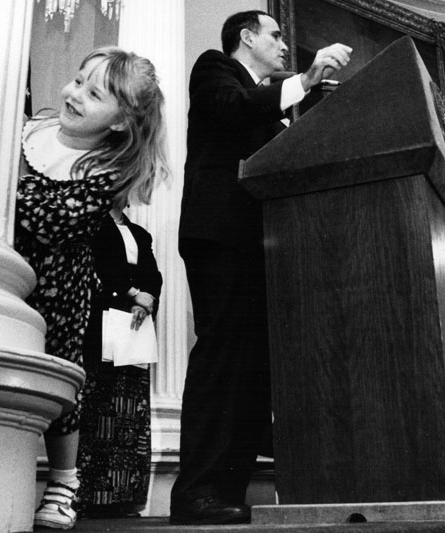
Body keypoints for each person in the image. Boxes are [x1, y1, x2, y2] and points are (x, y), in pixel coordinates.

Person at [172, 10, 352, 526]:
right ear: (246, 38)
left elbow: (285, 150)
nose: (282, 44)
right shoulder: (214, 70)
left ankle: (226, 491)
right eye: (274, 35)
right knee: (222, 363)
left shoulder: (269, 109)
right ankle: (194, 493)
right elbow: (232, 110)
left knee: (253, 375)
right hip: (220, 237)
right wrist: (306, 79)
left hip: (261, 246)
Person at [14, 46, 168, 530]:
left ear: (120, 122)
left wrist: (13, 187)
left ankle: (63, 481)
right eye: (78, 80)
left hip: (60, 288)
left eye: (94, 92)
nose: (74, 94)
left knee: (62, 383)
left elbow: (47, 222)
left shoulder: (103, 172)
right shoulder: (29, 131)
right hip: (7, 272)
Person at [76, 206, 162, 517]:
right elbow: (100, 265)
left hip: (133, 326)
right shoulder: (93, 225)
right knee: (100, 402)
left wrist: (147, 299)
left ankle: (126, 496)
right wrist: (132, 292)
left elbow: (153, 274)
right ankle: (91, 495)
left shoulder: (140, 233)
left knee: (131, 407)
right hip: (101, 322)